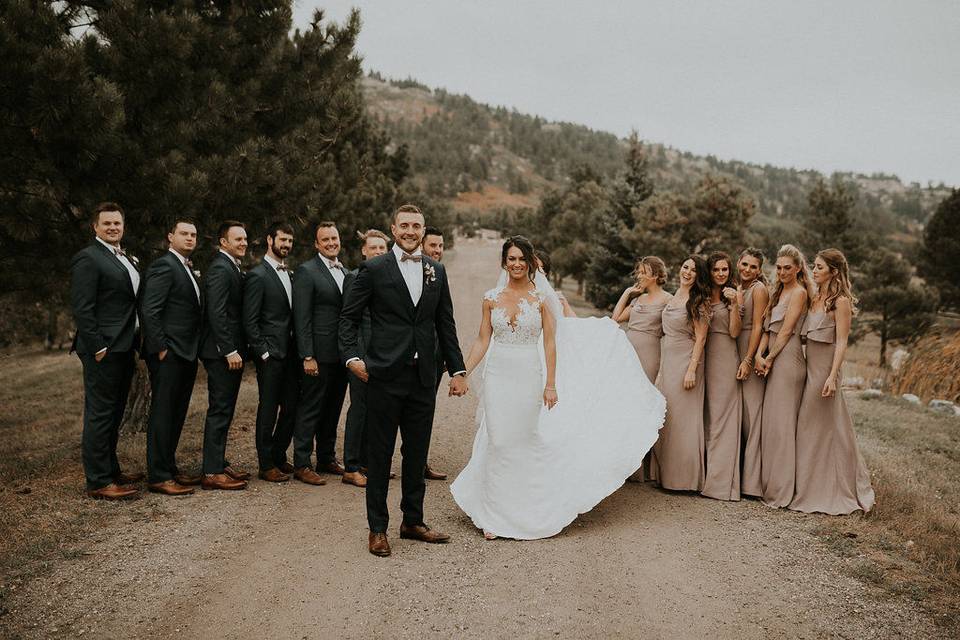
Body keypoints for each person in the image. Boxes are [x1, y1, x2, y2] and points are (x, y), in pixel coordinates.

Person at [450, 236, 665, 540]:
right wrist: (462, 372)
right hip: (499, 375)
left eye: (521, 259)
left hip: (528, 375)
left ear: (529, 263)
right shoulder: (490, 297)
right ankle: (494, 515)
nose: (516, 264)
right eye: (511, 259)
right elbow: (483, 339)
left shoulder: (540, 299)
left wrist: (550, 384)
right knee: (498, 441)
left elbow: (551, 343)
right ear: (504, 262)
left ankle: (527, 507)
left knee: (523, 440)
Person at [340, 204, 468, 558]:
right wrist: (352, 359)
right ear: (393, 229)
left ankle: (412, 521)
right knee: (379, 454)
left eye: (417, 226)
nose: (411, 231)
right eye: (405, 225)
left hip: (423, 377)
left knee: (416, 453)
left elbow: (446, 324)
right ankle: (377, 528)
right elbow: (348, 319)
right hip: (383, 375)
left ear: (423, 231)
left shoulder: (435, 271)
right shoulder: (374, 268)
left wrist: (457, 370)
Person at [789, 249, 875, 515]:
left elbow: (842, 342)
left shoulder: (841, 302)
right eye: (813, 266)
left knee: (812, 425)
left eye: (819, 267)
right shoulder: (815, 298)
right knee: (817, 428)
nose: (813, 271)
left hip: (826, 368)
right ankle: (809, 483)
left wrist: (832, 376)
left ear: (833, 272)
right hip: (810, 365)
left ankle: (826, 488)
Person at [70, 202, 143, 500]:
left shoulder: (125, 257)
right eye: (107, 223)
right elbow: (82, 307)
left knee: (114, 412)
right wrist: (99, 346)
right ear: (95, 227)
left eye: (117, 223)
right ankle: (98, 481)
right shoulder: (88, 258)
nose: (113, 227)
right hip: (103, 348)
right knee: (100, 413)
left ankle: (111, 469)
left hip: (125, 346)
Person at [141, 219, 203, 496]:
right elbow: (150, 309)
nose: (190, 238)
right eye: (184, 234)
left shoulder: (186, 267)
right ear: (170, 237)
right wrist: (161, 348)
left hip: (186, 352)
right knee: (163, 413)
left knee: (176, 413)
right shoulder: (164, 265)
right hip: (170, 353)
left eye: (193, 235)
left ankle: (169, 467)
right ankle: (158, 475)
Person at [292, 221, 349, 485]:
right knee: (311, 408)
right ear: (316, 244)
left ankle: (326, 457)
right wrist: (307, 355)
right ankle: (302, 462)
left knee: (333, 408)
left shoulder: (345, 272)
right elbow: (301, 317)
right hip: (317, 354)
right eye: (324, 240)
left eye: (333, 238)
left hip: (340, 355)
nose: (330, 243)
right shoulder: (307, 271)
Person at [755, 244, 812, 508]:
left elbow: (787, 331)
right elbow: (768, 328)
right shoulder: (777, 292)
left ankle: (782, 491)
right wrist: (759, 354)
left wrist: (769, 358)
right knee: (772, 424)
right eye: (778, 268)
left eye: (787, 268)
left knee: (782, 425)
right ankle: (769, 484)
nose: (782, 272)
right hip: (773, 357)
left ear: (798, 268)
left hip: (787, 360)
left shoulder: (799, 293)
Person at [243, 222, 301, 483]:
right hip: (270, 354)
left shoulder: (289, 274)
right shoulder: (258, 275)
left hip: (290, 354)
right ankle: (266, 464)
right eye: (282, 240)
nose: (286, 245)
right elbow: (250, 319)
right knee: (268, 409)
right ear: (270, 240)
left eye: (290, 241)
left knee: (291, 407)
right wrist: (262, 352)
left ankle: (278, 455)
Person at [649, 255, 710, 492]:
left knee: (685, 419)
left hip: (687, 361)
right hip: (670, 360)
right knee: (670, 417)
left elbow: (702, 337)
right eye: (685, 267)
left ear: (699, 275)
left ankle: (685, 479)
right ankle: (667, 476)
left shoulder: (699, 301)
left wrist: (692, 369)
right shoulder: (674, 296)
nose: (687, 272)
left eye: (693, 270)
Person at [197, 221, 249, 491]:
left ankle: (218, 461)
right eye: (237, 239)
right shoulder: (220, 268)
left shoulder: (231, 265)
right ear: (223, 242)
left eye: (245, 239)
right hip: (220, 352)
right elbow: (216, 313)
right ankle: (212, 471)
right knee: (219, 409)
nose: (243, 243)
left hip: (228, 350)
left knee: (225, 408)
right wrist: (229, 349)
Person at [341, 229, 391, 488]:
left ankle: (367, 463)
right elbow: (350, 320)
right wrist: (355, 357)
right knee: (359, 409)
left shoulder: (388, 278)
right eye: (374, 248)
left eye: (382, 248)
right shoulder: (355, 277)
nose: (378, 252)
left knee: (376, 410)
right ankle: (350, 467)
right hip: (362, 355)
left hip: (383, 355)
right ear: (364, 251)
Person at [701, 252, 742, 501]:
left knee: (721, 418)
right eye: (716, 270)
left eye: (725, 270)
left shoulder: (732, 297)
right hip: (703, 357)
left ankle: (719, 483)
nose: (720, 274)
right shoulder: (702, 296)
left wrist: (735, 304)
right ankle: (701, 473)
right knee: (705, 415)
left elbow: (735, 332)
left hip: (725, 358)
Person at [734, 248, 768, 497]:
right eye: (744, 264)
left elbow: (758, 326)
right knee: (739, 414)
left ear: (759, 270)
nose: (747, 269)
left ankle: (753, 482)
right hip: (732, 349)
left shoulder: (758, 290)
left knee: (753, 413)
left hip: (749, 349)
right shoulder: (738, 288)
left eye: (753, 266)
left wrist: (748, 359)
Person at [419, 225, 450, 481]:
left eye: (441, 246)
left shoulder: (439, 274)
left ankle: (420, 463)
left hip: (434, 357)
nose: (437, 250)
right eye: (433, 245)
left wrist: (449, 357)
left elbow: (445, 319)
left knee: (426, 411)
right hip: (406, 357)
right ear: (421, 245)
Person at [613, 256, 672, 383]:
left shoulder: (668, 300)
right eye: (639, 272)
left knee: (643, 391)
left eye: (643, 273)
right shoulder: (638, 299)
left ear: (655, 275)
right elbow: (615, 319)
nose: (639, 276)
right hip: (627, 350)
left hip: (649, 353)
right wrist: (627, 292)